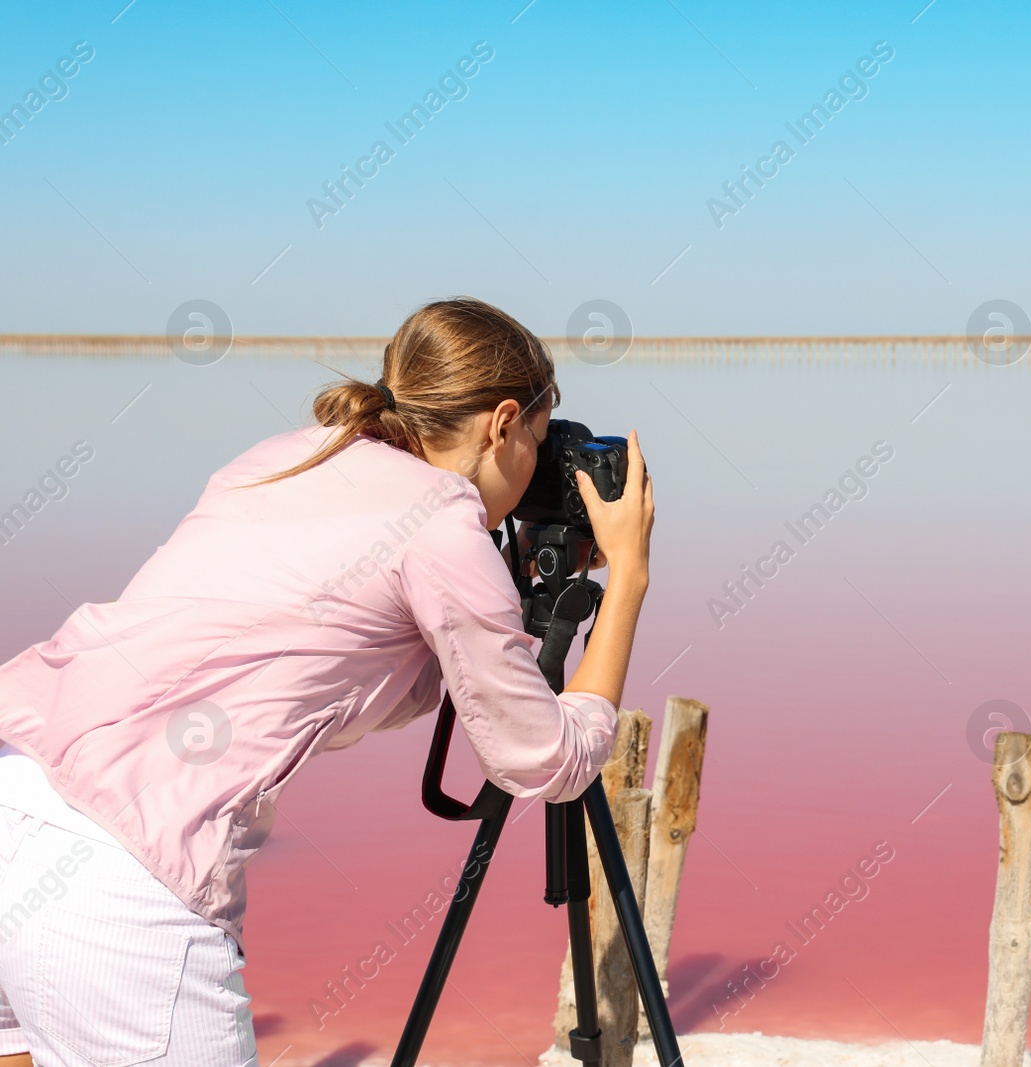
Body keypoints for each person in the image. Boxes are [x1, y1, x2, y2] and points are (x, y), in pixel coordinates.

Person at [0, 297, 654, 1066]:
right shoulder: (443, 524)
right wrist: (631, 575)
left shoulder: (294, 452)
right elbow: (541, 759)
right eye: (538, 445)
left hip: (19, 793)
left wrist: (504, 584)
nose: (537, 473)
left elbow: (355, 636)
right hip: (125, 880)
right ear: (502, 422)